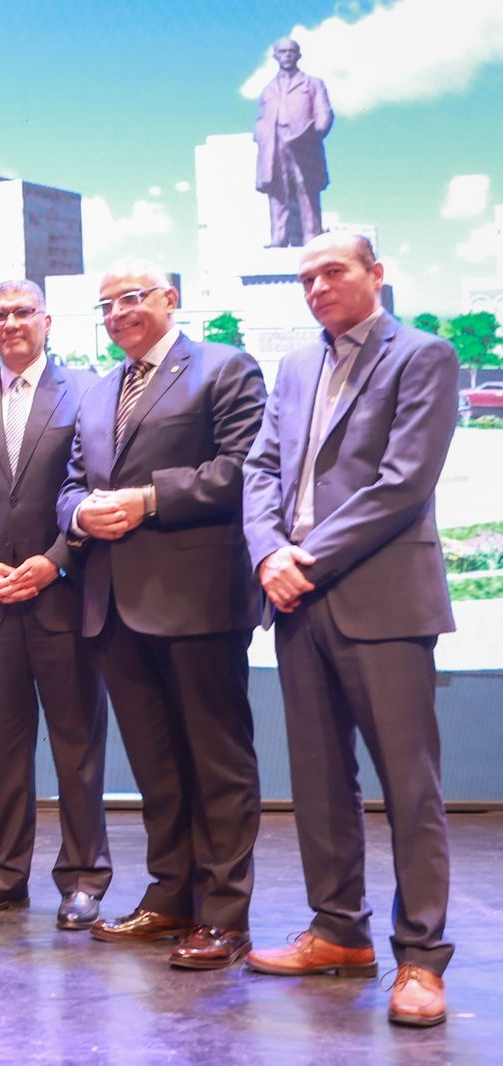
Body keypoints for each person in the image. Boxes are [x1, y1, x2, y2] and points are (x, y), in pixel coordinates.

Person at [243, 233, 458, 1027]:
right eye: (306, 278)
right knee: (320, 780)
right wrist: (266, 552)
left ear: (376, 274)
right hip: (296, 599)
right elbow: (260, 470)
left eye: (333, 272)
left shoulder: (423, 356)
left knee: (410, 787)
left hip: (381, 600)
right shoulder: (297, 365)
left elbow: (403, 484)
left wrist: (301, 558)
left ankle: (421, 958)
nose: (317, 288)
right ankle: (338, 932)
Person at [56, 260, 267, 969]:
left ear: (170, 299)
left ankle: (225, 915)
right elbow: (71, 483)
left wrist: (149, 499)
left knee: (218, 762)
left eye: (132, 297)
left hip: (198, 600)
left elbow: (245, 468)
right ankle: (171, 895)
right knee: (157, 768)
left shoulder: (224, 368)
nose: (117, 313)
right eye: (106, 305)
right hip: (113, 604)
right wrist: (78, 513)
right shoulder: (98, 391)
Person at [0, 280, 110, 929]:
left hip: (63, 593)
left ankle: (83, 876)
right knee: (3, 746)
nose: (10, 323)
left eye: (22, 313)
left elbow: (96, 488)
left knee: (77, 744)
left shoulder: (89, 392)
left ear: (47, 320)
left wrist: (56, 560)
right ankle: (6, 873)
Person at [254, 36, 334, 248]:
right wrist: (260, 134)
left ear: (298, 55)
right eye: (282, 52)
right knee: (277, 191)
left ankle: (311, 237)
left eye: (291, 51)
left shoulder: (312, 83)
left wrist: (317, 131)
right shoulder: (268, 89)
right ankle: (278, 237)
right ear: (275, 56)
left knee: (305, 188)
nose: (287, 55)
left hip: (303, 143)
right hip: (275, 144)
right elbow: (261, 118)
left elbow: (323, 112)